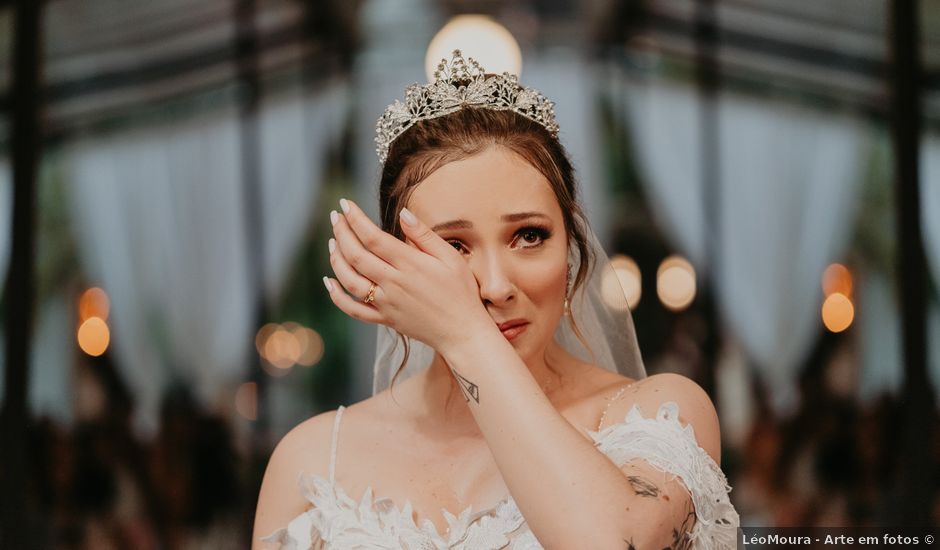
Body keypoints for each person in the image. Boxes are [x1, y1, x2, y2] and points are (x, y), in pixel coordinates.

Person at [252, 50, 739, 549]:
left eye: (529, 236)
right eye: (452, 246)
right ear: (397, 261)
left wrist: (467, 335)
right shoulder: (311, 460)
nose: (495, 286)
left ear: (570, 248)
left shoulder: (662, 413)